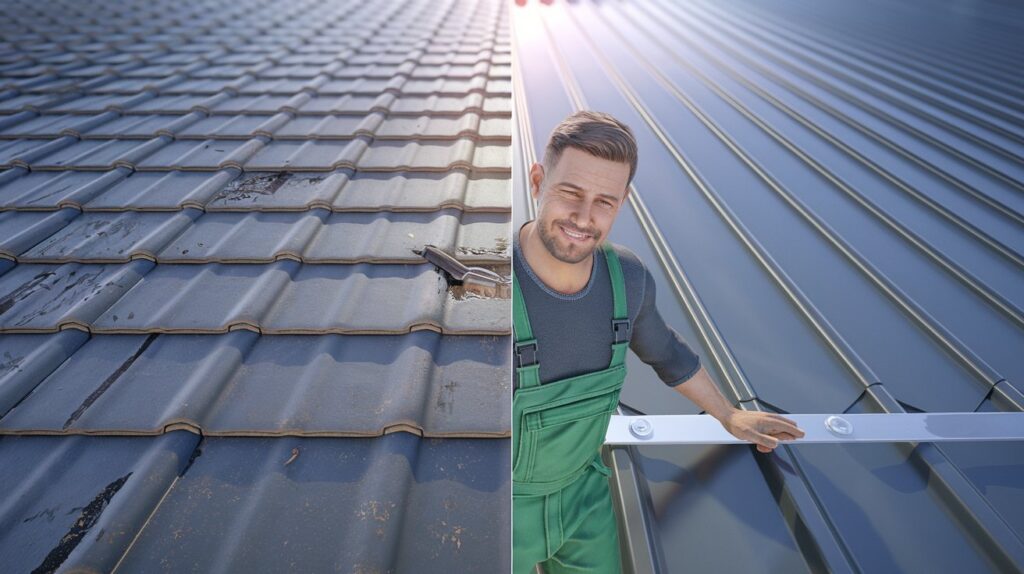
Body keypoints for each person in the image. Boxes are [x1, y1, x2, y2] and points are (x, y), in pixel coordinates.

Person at [512, 110, 806, 573]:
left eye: (604, 202)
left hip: (584, 498)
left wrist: (729, 414)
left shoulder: (626, 278)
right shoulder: (489, 291)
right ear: (536, 180)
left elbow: (666, 354)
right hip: (507, 508)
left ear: (623, 202)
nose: (584, 218)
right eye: (571, 193)